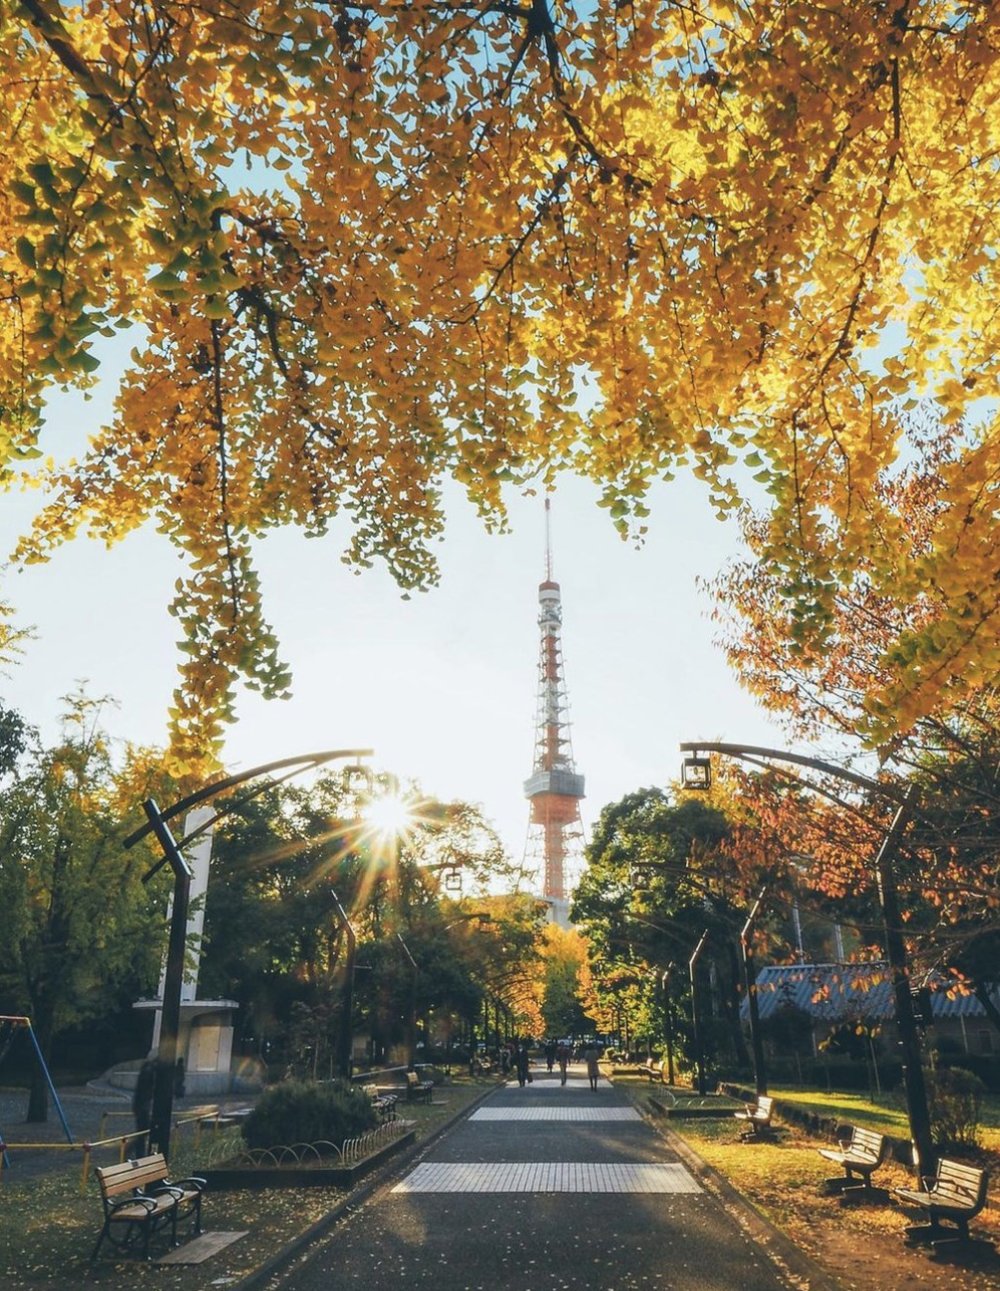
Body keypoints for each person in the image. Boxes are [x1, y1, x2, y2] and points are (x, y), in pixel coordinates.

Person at [132, 1058, 157, 1154]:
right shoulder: (148, 1072)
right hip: (143, 1107)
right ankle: (137, 1152)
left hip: (141, 1106)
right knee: (144, 1132)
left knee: (143, 1132)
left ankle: (138, 1151)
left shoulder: (146, 1071)